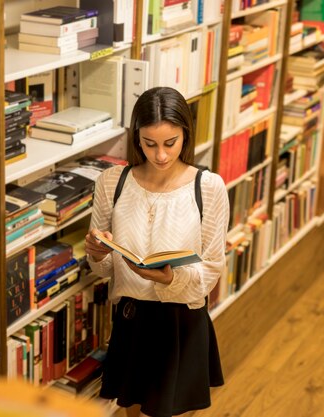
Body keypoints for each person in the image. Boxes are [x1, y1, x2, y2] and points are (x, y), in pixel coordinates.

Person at [84, 87, 229, 417]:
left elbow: (211, 269)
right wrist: (95, 252)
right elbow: (104, 268)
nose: (160, 155)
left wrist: (171, 278)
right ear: (136, 137)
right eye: (150, 143)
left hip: (181, 320)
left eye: (170, 143)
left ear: (185, 135)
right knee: (130, 410)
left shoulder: (208, 187)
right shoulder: (111, 182)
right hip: (131, 317)